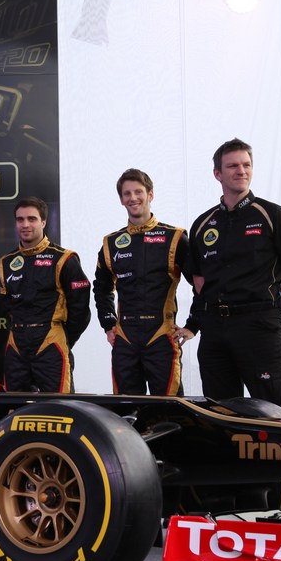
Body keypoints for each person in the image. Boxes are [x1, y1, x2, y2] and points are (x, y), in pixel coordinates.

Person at [177, 138, 281, 409]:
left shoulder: (271, 214)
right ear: (218, 174)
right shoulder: (203, 223)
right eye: (233, 166)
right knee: (219, 413)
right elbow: (199, 279)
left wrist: (273, 312)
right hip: (215, 329)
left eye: (246, 165)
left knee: (271, 413)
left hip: (259, 327)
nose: (241, 171)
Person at [93, 169, 190, 395]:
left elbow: (201, 283)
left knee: (169, 411)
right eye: (127, 193)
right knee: (125, 411)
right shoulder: (112, 242)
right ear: (121, 199)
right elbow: (101, 287)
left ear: (150, 195)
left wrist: (192, 326)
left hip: (161, 336)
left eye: (138, 192)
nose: (133, 198)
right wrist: (108, 325)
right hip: (125, 338)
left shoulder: (174, 237)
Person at [0, 196, 92, 392]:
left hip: (50, 342)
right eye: (20, 219)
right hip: (17, 345)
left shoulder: (64, 259)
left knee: (60, 409)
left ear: (43, 222)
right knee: (15, 410)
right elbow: (7, 307)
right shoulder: (6, 262)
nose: (25, 224)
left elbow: (81, 311)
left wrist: (62, 337)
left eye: (31, 219)